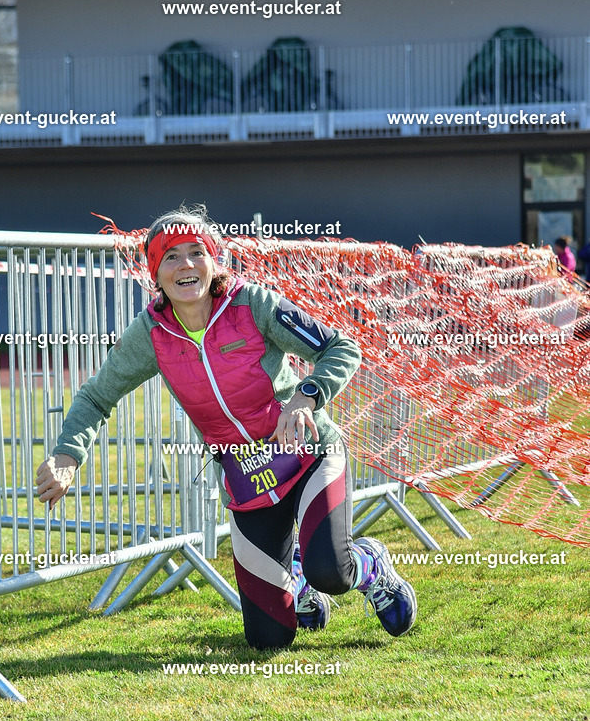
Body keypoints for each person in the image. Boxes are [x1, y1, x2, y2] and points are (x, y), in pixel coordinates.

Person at [35, 204, 417, 650]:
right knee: (268, 638)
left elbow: (341, 348)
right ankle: (296, 569)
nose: (186, 264)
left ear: (213, 260)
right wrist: (67, 455)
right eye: (171, 256)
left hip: (310, 454)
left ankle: (369, 566)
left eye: (196, 251)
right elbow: (97, 396)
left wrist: (304, 398)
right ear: (155, 274)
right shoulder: (149, 335)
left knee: (331, 571)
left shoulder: (252, 303)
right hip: (246, 476)